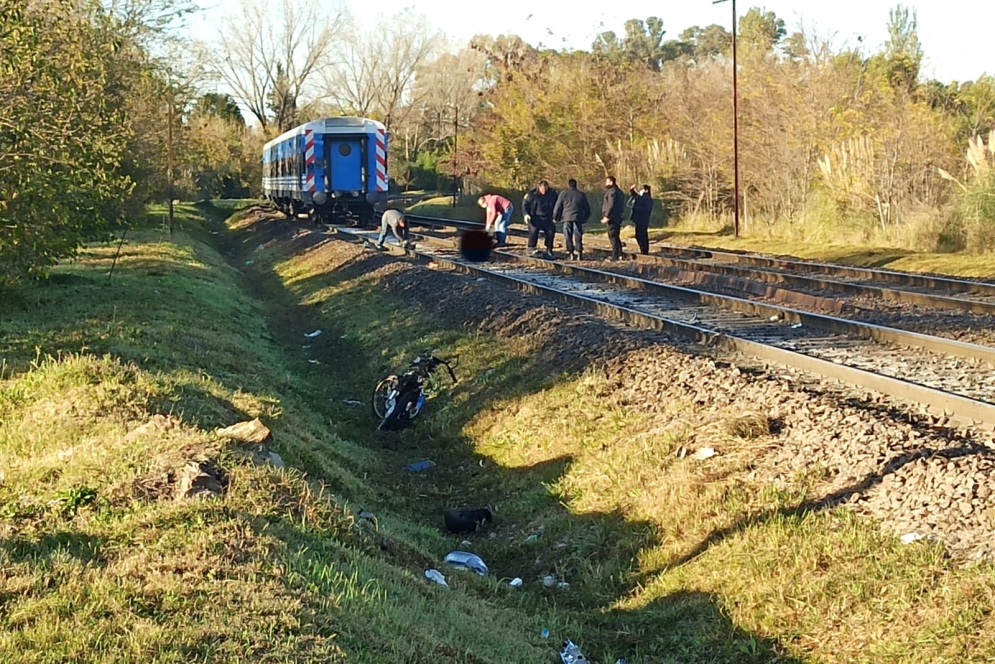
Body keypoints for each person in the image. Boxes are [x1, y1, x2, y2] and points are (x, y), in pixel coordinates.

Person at [552, 178, 591, 260]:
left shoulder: (563, 194)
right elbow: (587, 208)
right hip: (578, 218)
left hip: (566, 218)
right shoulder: (581, 194)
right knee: (578, 235)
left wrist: (555, 217)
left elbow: (558, 206)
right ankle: (579, 252)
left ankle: (571, 252)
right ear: (576, 185)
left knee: (568, 235)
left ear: (568, 185)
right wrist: (586, 217)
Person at [522, 180, 558, 258]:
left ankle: (549, 249)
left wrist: (556, 216)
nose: (544, 191)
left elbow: (557, 205)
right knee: (533, 231)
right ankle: (531, 248)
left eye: (545, 189)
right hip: (535, 217)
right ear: (539, 187)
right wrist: (526, 214)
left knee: (550, 232)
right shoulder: (531, 194)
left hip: (548, 217)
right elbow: (525, 204)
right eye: (542, 189)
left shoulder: (553, 194)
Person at [601, 175, 626, 260]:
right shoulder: (619, 191)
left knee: (613, 236)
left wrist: (607, 216)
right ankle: (619, 253)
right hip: (618, 216)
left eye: (607, 182)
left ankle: (615, 255)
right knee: (616, 235)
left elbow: (611, 204)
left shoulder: (612, 192)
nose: (606, 184)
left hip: (612, 217)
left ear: (611, 182)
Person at [627, 183, 654, 255]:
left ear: (646, 190)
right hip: (638, 219)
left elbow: (646, 209)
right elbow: (634, 195)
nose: (641, 191)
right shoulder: (640, 198)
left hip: (643, 220)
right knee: (638, 235)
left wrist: (635, 208)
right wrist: (631, 189)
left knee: (643, 235)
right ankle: (642, 249)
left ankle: (645, 250)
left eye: (642, 189)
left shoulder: (648, 199)